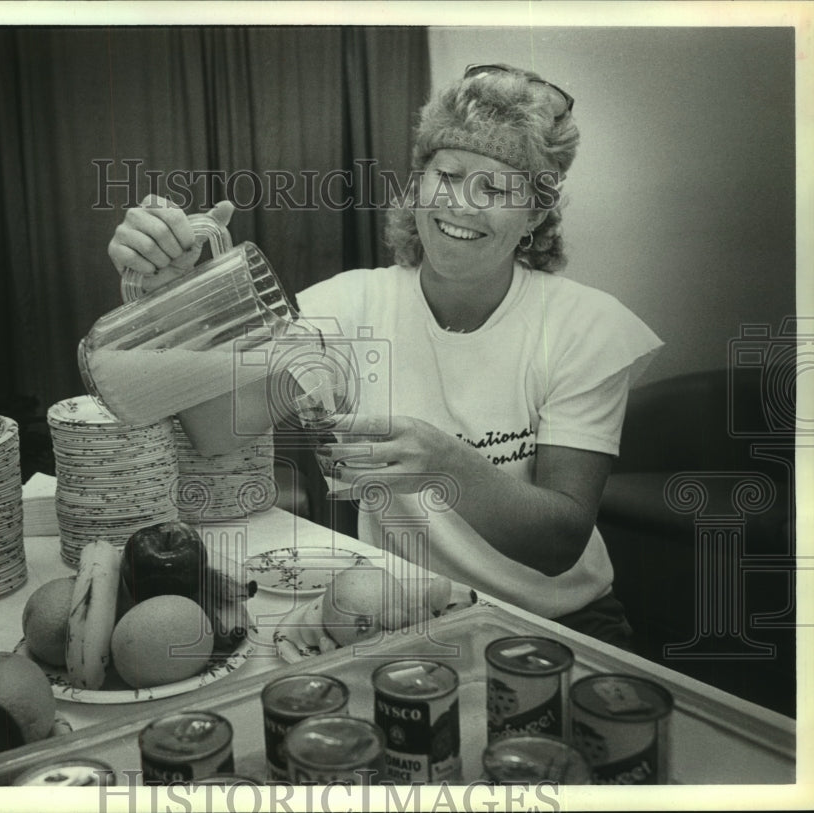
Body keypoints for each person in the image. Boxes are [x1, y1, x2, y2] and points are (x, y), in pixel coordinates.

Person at [107, 64, 663, 648]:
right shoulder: (350, 306)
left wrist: (445, 462)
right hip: (405, 615)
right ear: (417, 185)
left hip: (561, 623)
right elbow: (215, 429)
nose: (463, 206)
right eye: (446, 175)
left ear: (534, 216)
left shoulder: (586, 326)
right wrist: (174, 294)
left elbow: (558, 543)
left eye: (497, 190)